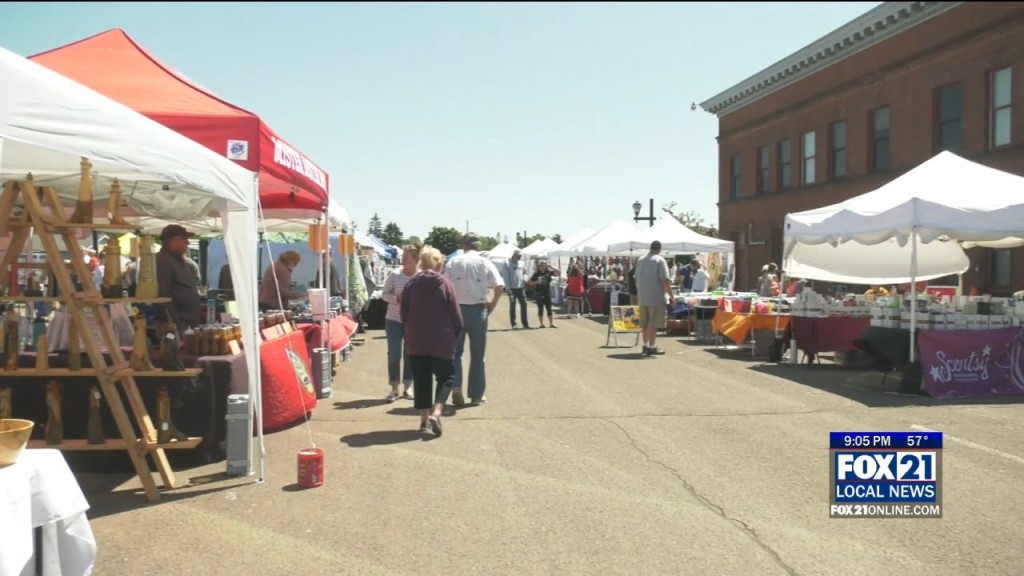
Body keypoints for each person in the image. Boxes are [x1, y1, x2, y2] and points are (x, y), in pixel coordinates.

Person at [401, 245, 463, 436]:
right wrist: (455, 332)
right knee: (446, 378)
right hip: (441, 339)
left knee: (422, 379)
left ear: (421, 263)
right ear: (439, 264)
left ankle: (423, 420)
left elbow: (404, 313)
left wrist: (410, 330)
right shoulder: (445, 284)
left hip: (416, 340)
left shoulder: (411, 284)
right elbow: (456, 314)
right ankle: (436, 412)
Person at [444, 233, 504, 406]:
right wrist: (492, 304)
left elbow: (444, 285)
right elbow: (499, 285)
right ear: (478, 245)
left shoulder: (454, 262)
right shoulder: (485, 262)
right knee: (478, 355)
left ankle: (456, 386)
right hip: (478, 310)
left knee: (455, 353)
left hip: (456, 309)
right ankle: (477, 395)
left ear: (463, 245)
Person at [381, 244, 421, 402]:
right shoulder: (395, 275)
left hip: (413, 321)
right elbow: (384, 294)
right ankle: (394, 388)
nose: (403, 259)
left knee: (410, 354)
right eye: (403, 256)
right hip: (393, 319)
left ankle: (408, 387)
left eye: (406, 257)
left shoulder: (421, 277)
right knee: (394, 354)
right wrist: (396, 298)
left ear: (416, 259)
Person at [634, 240, 676, 357]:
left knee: (645, 323)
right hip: (656, 297)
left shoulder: (641, 260)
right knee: (654, 323)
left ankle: (645, 345)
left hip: (642, 297)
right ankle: (652, 346)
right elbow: (664, 280)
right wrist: (672, 296)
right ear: (660, 249)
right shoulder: (659, 260)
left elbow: (636, 278)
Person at [155, 224, 201, 330]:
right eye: (184, 239)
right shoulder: (163, 261)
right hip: (175, 325)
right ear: (174, 241)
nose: (188, 243)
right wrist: (175, 323)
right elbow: (162, 295)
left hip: (186, 323)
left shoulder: (177, 260)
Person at [501, 249, 530, 329]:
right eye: (519, 256)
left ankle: (525, 323)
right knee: (513, 305)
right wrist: (508, 288)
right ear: (514, 255)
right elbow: (505, 277)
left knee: (524, 304)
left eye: (521, 256)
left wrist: (525, 278)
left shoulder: (522, 263)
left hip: (521, 288)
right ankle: (514, 324)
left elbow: (525, 273)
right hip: (512, 289)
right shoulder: (507, 263)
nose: (520, 257)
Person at [528, 260, 561, 328]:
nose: (543, 267)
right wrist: (536, 282)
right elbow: (530, 282)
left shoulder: (548, 272)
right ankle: (541, 324)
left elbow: (559, 273)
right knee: (540, 308)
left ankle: (551, 323)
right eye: (541, 266)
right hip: (539, 293)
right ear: (539, 267)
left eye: (544, 266)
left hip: (547, 292)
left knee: (549, 308)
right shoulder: (536, 274)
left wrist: (552, 267)